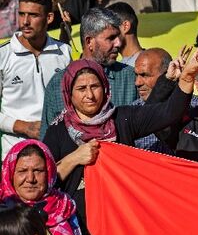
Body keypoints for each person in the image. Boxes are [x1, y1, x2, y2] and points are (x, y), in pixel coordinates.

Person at [43, 53, 198, 235]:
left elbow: (169, 112)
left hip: (123, 221)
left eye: (95, 86)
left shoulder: (123, 118)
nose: (90, 95)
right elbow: (43, 182)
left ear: (105, 87)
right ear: (69, 93)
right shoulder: (57, 131)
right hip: (78, 226)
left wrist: (187, 78)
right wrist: (74, 158)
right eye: (81, 88)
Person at [41, 8, 138, 138]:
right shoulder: (57, 84)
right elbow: (48, 143)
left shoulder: (130, 78)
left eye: (118, 37)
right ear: (89, 42)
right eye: (111, 38)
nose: (118, 43)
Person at [0, 0, 71, 158]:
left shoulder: (64, 52)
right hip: (15, 155)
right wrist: (22, 126)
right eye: (22, 14)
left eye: (33, 15)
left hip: (58, 153)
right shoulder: (3, 56)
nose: (25, 21)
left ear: (49, 18)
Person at [0, 140, 81, 235]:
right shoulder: (3, 209)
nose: (30, 179)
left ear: (49, 173)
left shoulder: (64, 207)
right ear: (10, 174)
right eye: (22, 171)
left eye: (38, 170)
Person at [131, 48, 175, 154]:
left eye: (145, 75)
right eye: (136, 75)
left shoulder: (194, 106)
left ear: (167, 74)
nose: (137, 83)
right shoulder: (132, 112)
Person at [106, 2, 144, 67]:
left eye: (108, 29)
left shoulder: (149, 65)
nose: (105, 35)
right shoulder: (120, 66)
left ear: (125, 27)